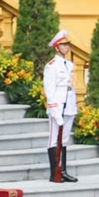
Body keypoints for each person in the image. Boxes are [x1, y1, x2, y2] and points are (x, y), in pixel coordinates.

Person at [44, 31, 78, 183]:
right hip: (57, 104)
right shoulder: (51, 66)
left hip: (69, 104)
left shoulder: (69, 65)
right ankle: (54, 173)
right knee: (54, 140)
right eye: (64, 45)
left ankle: (62, 170)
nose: (67, 47)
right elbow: (49, 89)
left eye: (67, 44)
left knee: (63, 140)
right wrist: (54, 109)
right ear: (57, 47)